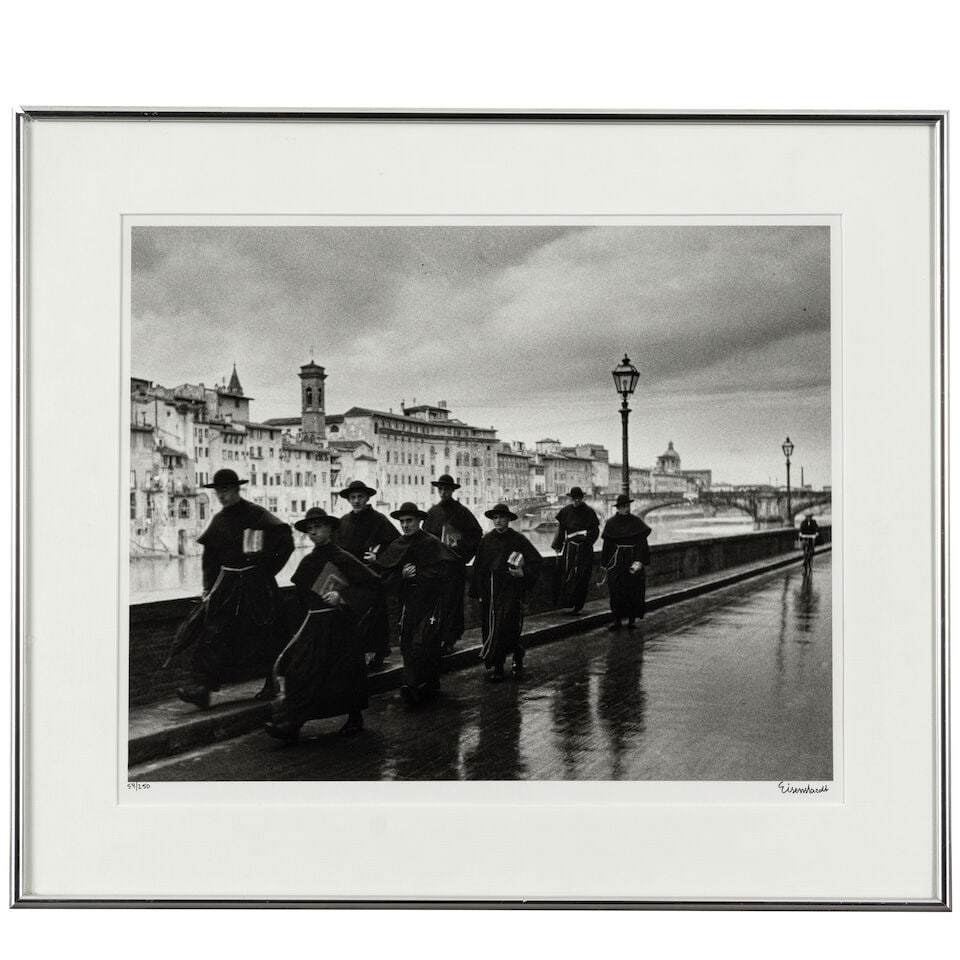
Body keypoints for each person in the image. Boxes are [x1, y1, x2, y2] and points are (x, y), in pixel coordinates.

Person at [177, 468, 294, 709]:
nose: (222, 495)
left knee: (264, 635)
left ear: (237, 489)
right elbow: (210, 559)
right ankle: (202, 688)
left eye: (227, 490)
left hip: (256, 587)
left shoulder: (256, 514)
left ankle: (271, 682)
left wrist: (265, 566)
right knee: (214, 632)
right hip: (227, 587)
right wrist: (207, 588)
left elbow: (285, 541)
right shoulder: (219, 520)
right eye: (219, 491)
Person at [265, 508, 381, 744]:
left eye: (318, 526)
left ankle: (354, 716)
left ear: (329, 529)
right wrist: (295, 625)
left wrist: (343, 597)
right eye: (310, 528)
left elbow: (372, 585)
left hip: (339, 626)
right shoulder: (308, 561)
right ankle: (293, 722)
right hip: (313, 625)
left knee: (343, 673)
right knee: (302, 670)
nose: (314, 532)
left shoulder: (342, 557)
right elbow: (299, 598)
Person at [375, 502, 460, 708]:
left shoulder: (431, 542)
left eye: (409, 521)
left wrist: (420, 574)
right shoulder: (397, 545)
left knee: (423, 643)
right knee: (407, 643)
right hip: (408, 603)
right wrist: (400, 576)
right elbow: (384, 577)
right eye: (402, 521)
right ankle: (416, 684)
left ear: (419, 521)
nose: (405, 525)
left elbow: (449, 570)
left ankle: (419, 684)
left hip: (430, 603)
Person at [470, 503, 543, 682]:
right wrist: (479, 591)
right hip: (491, 589)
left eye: (502, 517)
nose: (498, 521)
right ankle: (498, 665)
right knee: (492, 627)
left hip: (511, 588)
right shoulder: (487, 540)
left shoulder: (518, 539)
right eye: (495, 517)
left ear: (509, 519)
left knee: (507, 626)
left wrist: (523, 573)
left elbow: (536, 561)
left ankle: (516, 651)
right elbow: (478, 567)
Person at [334, 480, 400, 671]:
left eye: (360, 497)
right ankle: (357, 654)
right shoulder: (343, 522)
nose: (356, 501)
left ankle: (379, 654)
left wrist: (378, 557)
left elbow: (396, 545)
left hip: (372, 576)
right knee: (353, 617)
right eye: (353, 497)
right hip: (351, 580)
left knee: (376, 617)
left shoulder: (379, 520)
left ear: (367, 498)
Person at [423, 474, 483, 654]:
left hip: (454, 566)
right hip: (437, 566)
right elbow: (425, 537)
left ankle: (449, 639)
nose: (443, 493)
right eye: (440, 489)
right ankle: (436, 636)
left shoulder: (462, 512)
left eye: (447, 489)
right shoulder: (432, 512)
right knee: (436, 603)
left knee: (452, 603)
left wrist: (461, 547)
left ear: (452, 491)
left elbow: (476, 533)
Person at [599, 494, 652, 631]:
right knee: (615, 590)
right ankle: (617, 620)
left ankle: (631, 620)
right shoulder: (611, 523)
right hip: (617, 561)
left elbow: (642, 544)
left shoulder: (636, 522)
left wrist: (640, 561)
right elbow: (607, 545)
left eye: (627, 506)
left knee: (633, 589)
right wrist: (605, 563)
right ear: (618, 508)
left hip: (633, 558)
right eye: (623, 507)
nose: (626, 509)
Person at [550, 485, 600, 615]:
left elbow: (595, 531)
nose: (576, 501)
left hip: (584, 550)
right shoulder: (565, 511)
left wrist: (586, 539)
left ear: (582, 498)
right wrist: (557, 545)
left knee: (582, 576)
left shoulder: (589, 512)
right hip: (570, 550)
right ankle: (566, 602)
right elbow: (561, 530)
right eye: (574, 499)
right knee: (567, 575)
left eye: (578, 498)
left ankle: (578, 605)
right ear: (570, 499)